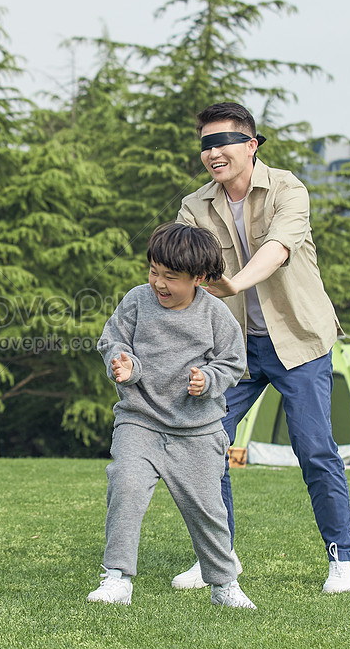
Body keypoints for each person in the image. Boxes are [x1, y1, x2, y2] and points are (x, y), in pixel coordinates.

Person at [173, 102, 350, 594]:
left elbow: (278, 250)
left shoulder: (288, 189)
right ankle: (220, 557)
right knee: (205, 444)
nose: (213, 152)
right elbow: (186, 264)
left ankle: (342, 559)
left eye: (224, 141)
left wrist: (233, 284)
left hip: (297, 340)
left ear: (251, 144)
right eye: (205, 144)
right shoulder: (195, 206)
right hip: (233, 349)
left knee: (315, 449)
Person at [89, 222, 255, 609]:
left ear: (199, 278)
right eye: (154, 272)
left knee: (208, 509)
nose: (159, 284)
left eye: (171, 277)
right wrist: (124, 363)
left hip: (197, 430)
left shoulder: (216, 314)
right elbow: (111, 340)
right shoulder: (136, 301)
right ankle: (117, 578)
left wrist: (208, 379)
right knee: (126, 484)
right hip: (140, 419)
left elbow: (233, 362)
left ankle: (223, 583)